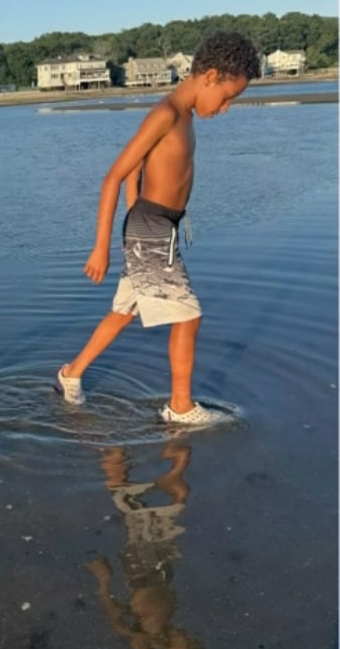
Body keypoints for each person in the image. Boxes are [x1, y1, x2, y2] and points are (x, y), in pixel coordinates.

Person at [57, 31, 261, 423]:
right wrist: (101, 246)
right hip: (151, 229)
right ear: (211, 76)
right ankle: (180, 407)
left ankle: (71, 375)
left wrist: (135, 217)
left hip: (155, 227)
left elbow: (138, 171)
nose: (225, 109)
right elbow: (113, 176)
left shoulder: (184, 116)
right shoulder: (166, 114)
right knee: (188, 315)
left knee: (124, 311)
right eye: (227, 97)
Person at [86, 442, 212, 649]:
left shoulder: (151, 637)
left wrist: (103, 580)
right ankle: (169, 452)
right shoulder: (162, 631)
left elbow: (118, 621)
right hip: (159, 564)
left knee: (128, 493)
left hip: (143, 564)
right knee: (170, 498)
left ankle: (115, 446)